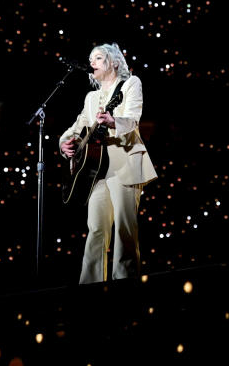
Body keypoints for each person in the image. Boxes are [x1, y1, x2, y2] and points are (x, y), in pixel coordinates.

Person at [59, 43, 157, 283]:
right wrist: (65, 143)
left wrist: (114, 121)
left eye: (98, 58)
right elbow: (78, 125)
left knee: (125, 230)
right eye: (91, 58)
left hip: (124, 164)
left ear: (114, 62)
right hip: (96, 171)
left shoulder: (130, 83)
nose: (92, 62)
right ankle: (90, 286)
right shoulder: (91, 97)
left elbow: (133, 119)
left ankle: (125, 285)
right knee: (96, 230)